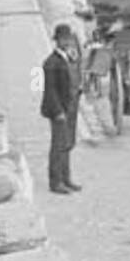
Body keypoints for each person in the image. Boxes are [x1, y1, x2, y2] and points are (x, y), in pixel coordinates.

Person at [40, 23, 82, 194]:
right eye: (63, 39)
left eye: (68, 39)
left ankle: (66, 178)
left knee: (68, 144)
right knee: (58, 146)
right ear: (57, 41)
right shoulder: (51, 62)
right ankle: (55, 182)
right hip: (59, 110)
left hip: (71, 106)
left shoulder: (69, 58)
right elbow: (50, 91)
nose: (66, 42)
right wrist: (58, 112)